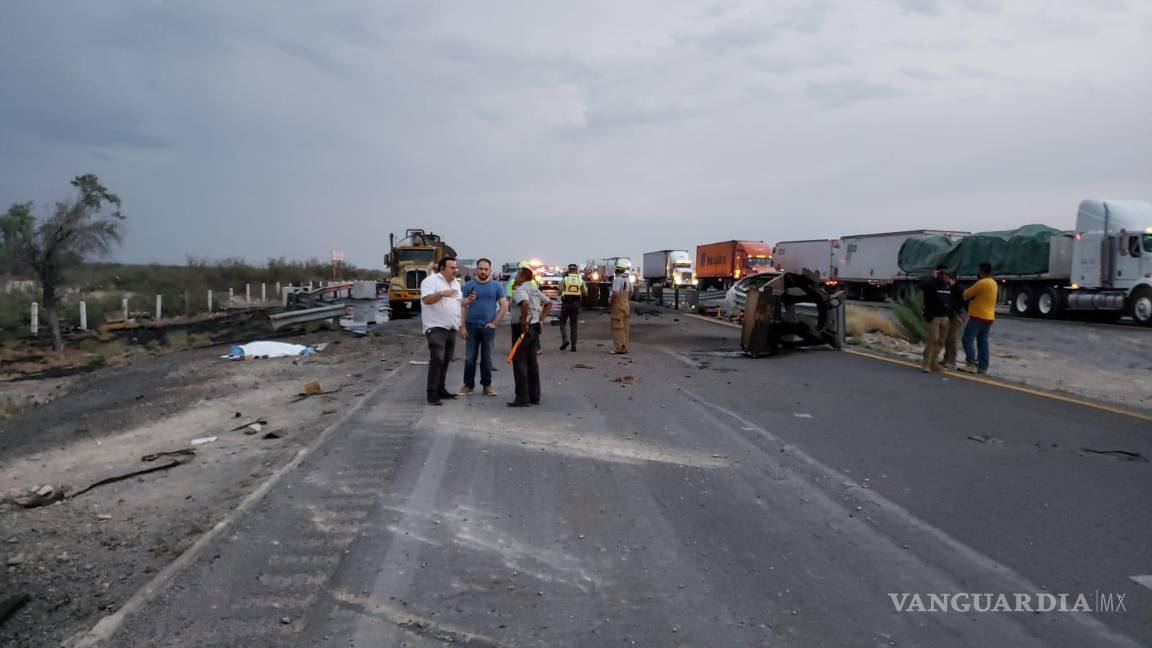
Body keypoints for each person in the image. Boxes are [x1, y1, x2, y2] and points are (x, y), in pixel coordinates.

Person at [458, 258, 508, 396]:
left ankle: (487, 386)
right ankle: (468, 385)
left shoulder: (496, 286)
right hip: (471, 326)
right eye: (481, 269)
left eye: (486, 269)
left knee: (487, 358)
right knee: (470, 358)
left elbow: (504, 306)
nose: (483, 271)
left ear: (490, 271)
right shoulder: (468, 285)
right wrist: (462, 326)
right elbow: (462, 306)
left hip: (488, 328)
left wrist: (494, 323)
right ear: (476, 270)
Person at [419, 257, 462, 406]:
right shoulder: (430, 281)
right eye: (452, 267)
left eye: (455, 267)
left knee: (446, 360)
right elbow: (426, 300)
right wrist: (442, 293)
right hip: (436, 327)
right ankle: (432, 394)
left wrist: (467, 302)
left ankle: (441, 389)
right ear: (442, 268)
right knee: (437, 358)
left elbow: (456, 303)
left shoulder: (456, 283)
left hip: (451, 328)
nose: (455, 270)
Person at [508, 267, 552, 407]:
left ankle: (522, 397)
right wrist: (541, 320)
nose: (515, 278)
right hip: (534, 327)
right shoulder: (534, 289)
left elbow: (525, 303)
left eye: (517, 275)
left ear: (522, 276)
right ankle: (534, 395)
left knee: (519, 362)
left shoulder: (520, 290)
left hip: (522, 329)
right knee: (532, 362)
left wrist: (522, 322)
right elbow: (548, 303)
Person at [961, 262, 998, 374]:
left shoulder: (982, 283)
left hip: (978, 315)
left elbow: (966, 294)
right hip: (989, 316)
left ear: (981, 271)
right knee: (982, 341)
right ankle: (983, 366)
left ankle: (971, 363)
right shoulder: (993, 283)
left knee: (967, 338)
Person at [920, 264, 955, 373]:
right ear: (937, 273)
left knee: (941, 341)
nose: (944, 275)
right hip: (934, 317)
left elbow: (955, 298)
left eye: (946, 273)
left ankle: (933, 363)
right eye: (941, 273)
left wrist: (950, 315)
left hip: (945, 318)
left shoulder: (947, 285)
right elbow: (923, 286)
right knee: (933, 339)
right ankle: (926, 363)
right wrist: (933, 277)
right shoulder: (932, 284)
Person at [943, 270, 968, 370]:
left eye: (946, 279)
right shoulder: (950, 288)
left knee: (952, 338)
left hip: (958, 314)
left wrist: (956, 309)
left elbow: (964, 303)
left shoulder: (959, 289)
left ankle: (952, 361)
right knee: (947, 337)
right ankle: (946, 359)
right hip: (951, 314)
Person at [558, 263, 586, 352]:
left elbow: (559, 291)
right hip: (576, 303)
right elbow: (585, 291)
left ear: (569, 270)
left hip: (566, 303)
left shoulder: (565, 279)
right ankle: (573, 346)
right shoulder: (580, 279)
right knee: (574, 325)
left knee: (562, 322)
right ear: (576, 270)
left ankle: (565, 340)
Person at [609, 259, 632, 354]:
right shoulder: (627, 279)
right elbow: (631, 293)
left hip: (618, 305)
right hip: (626, 304)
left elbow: (615, 294)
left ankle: (619, 347)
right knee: (626, 327)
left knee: (617, 327)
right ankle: (625, 347)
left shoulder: (617, 280)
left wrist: (611, 302)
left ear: (617, 269)